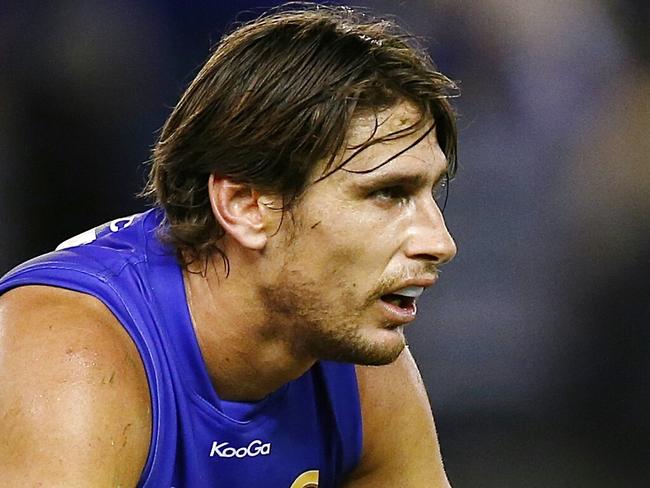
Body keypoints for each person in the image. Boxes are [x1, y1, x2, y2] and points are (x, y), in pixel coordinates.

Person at [0, 5, 458, 487]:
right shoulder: (70, 356)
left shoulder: (351, 353)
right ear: (245, 205)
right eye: (387, 193)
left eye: (432, 192)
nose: (440, 242)